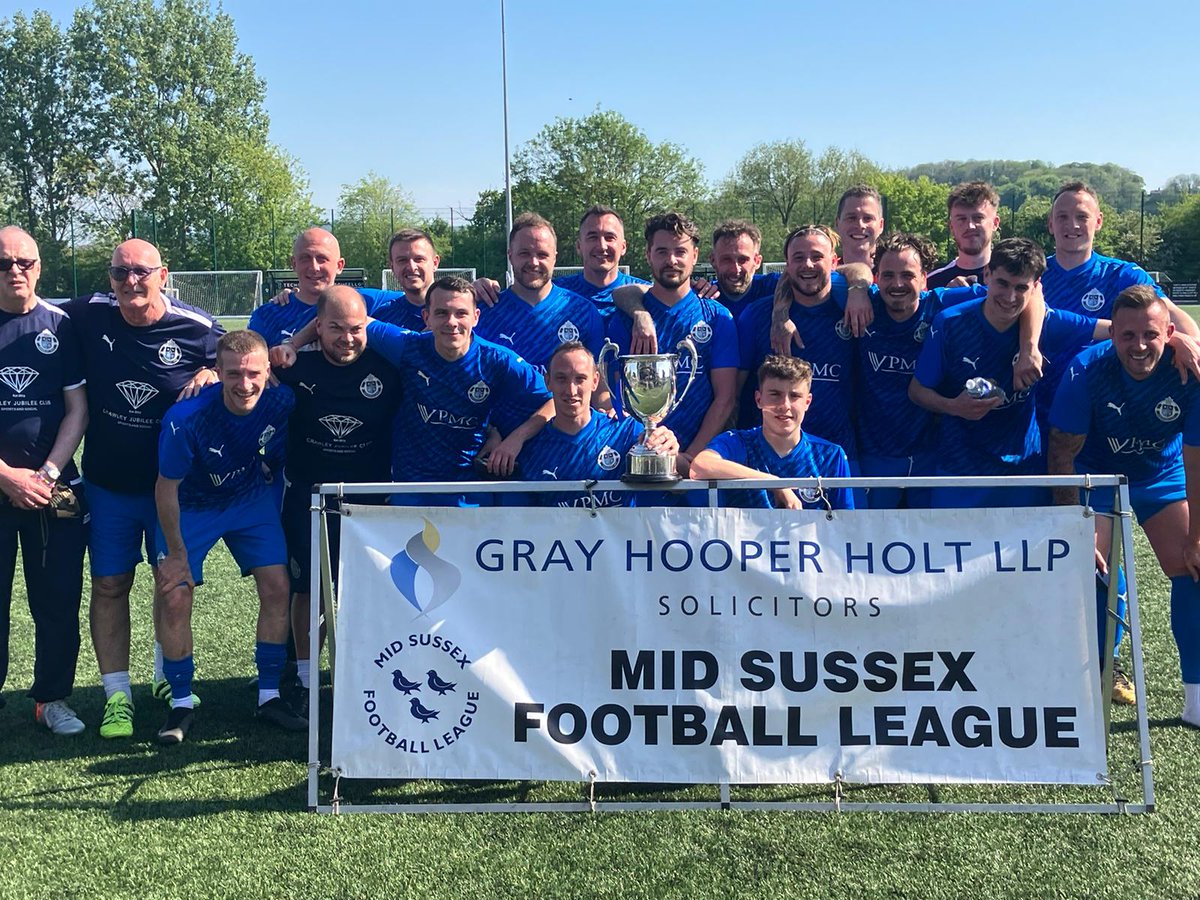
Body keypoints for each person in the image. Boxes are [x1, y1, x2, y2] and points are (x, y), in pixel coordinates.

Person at [61, 238, 222, 738]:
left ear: (164, 273)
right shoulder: (88, 313)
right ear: (109, 278)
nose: (131, 281)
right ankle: (116, 696)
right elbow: (31, 309)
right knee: (110, 585)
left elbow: (246, 356)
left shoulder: (196, 328)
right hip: (109, 486)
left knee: (171, 584)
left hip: (171, 490)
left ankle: (164, 675)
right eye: (120, 273)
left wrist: (212, 369)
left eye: (141, 272)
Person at [1049, 285, 1200, 720]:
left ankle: (1195, 695)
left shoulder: (1188, 371)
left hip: (1159, 473)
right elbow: (1062, 452)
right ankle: (1095, 675)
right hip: (1097, 475)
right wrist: (1071, 526)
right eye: (1127, 335)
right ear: (1112, 333)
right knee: (1089, 567)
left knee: (1193, 567)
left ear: (1169, 332)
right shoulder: (1086, 370)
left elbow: (1197, 462)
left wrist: (1196, 537)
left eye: (1150, 335)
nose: (1138, 346)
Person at [280, 275, 552, 504]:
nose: (451, 322)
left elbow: (551, 403)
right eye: (442, 313)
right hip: (408, 489)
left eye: (461, 313)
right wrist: (292, 345)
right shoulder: (408, 347)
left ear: (476, 317)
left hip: (468, 489)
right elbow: (341, 316)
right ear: (427, 316)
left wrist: (513, 439)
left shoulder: (497, 360)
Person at [154, 330, 303, 744]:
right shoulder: (185, 419)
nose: (245, 384)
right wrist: (178, 554)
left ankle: (269, 695)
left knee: (277, 586)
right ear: (216, 372)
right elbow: (166, 488)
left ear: (268, 371)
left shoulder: (281, 401)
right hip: (192, 506)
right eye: (234, 374)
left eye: (254, 373)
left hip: (248, 499)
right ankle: (180, 703)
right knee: (175, 591)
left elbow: (277, 451)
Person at [272, 286, 402, 713]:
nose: (347, 338)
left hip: (371, 504)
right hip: (308, 499)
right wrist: (289, 346)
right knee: (308, 590)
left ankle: (364, 675)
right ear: (317, 328)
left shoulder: (388, 367)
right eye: (335, 329)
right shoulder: (294, 368)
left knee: (365, 592)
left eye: (355, 329)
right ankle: (308, 682)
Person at [908, 238, 1110, 509]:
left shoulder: (1047, 323)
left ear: (1036, 288)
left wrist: (1175, 340)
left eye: (1021, 288)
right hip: (960, 468)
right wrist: (954, 406)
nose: (1010, 297)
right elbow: (917, 391)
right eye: (1002, 283)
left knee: (1026, 552)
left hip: (1023, 470)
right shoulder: (951, 323)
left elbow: (1115, 330)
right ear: (987, 275)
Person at [0, 226, 89, 734]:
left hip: (50, 486)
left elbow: (77, 409)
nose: (15, 271)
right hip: (5, 481)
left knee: (56, 597)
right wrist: (8, 476)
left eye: (25, 262)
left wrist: (48, 473)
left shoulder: (61, 325)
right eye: (4, 263)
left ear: (39, 266)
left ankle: (52, 698)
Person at [607, 212, 738, 479]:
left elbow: (725, 399)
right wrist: (649, 444)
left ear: (695, 255)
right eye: (662, 251)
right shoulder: (623, 319)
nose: (672, 260)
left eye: (680, 251)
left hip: (697, 464)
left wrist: (689, 457)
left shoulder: (717, 317)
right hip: (636, 457)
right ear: (648, 254)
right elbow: (612, 395)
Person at [475, 212, 607, 430]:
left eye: (542, 254)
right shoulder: (486, 310)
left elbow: (598, 385)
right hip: (498, 447)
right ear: (510, 255)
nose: (533, 262)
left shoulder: (582, 311)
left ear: (555, 256)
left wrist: (608, 414)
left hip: (561, 445)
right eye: (524, 253)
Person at [740, 226, 859, 462]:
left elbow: (862, 270)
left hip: (838, 455)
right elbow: (734, 390)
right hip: (768, 458)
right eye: (798, 258)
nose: (808, 264)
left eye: (817, 257)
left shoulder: (855, 307)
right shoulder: (757, 314)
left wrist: (859, 290)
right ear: (786, 266)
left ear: (834, 262)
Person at [515, 341, 678, 508]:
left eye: (580, 379)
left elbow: (679, 489)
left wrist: (669, 451)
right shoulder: (533, 451)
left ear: (595, 381)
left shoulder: (625, 431)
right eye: (561, 379)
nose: (571, 390)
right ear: (548, 382)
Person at [691, 356, 853, 510]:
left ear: (807, 402)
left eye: (795, 396)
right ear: (758, 400)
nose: (785, 405)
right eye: (775, 395)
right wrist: (772, 482)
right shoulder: (738, 442)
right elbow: (700, 466)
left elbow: (846, 525)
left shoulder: (831, 455)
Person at [926, 181, 1001, 289]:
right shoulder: (932, 283)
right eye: (961, 219)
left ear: (995, 223)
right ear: (951, 226)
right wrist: (944, 298)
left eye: (978, 218)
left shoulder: (1015, 279)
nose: (970, 226)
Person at [834, 184, 884, 268]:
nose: (860, 225)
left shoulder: (893, 277)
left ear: (881, 225)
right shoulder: (823, 276)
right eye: (851, 218)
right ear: (837, 224)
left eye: (868, 218)